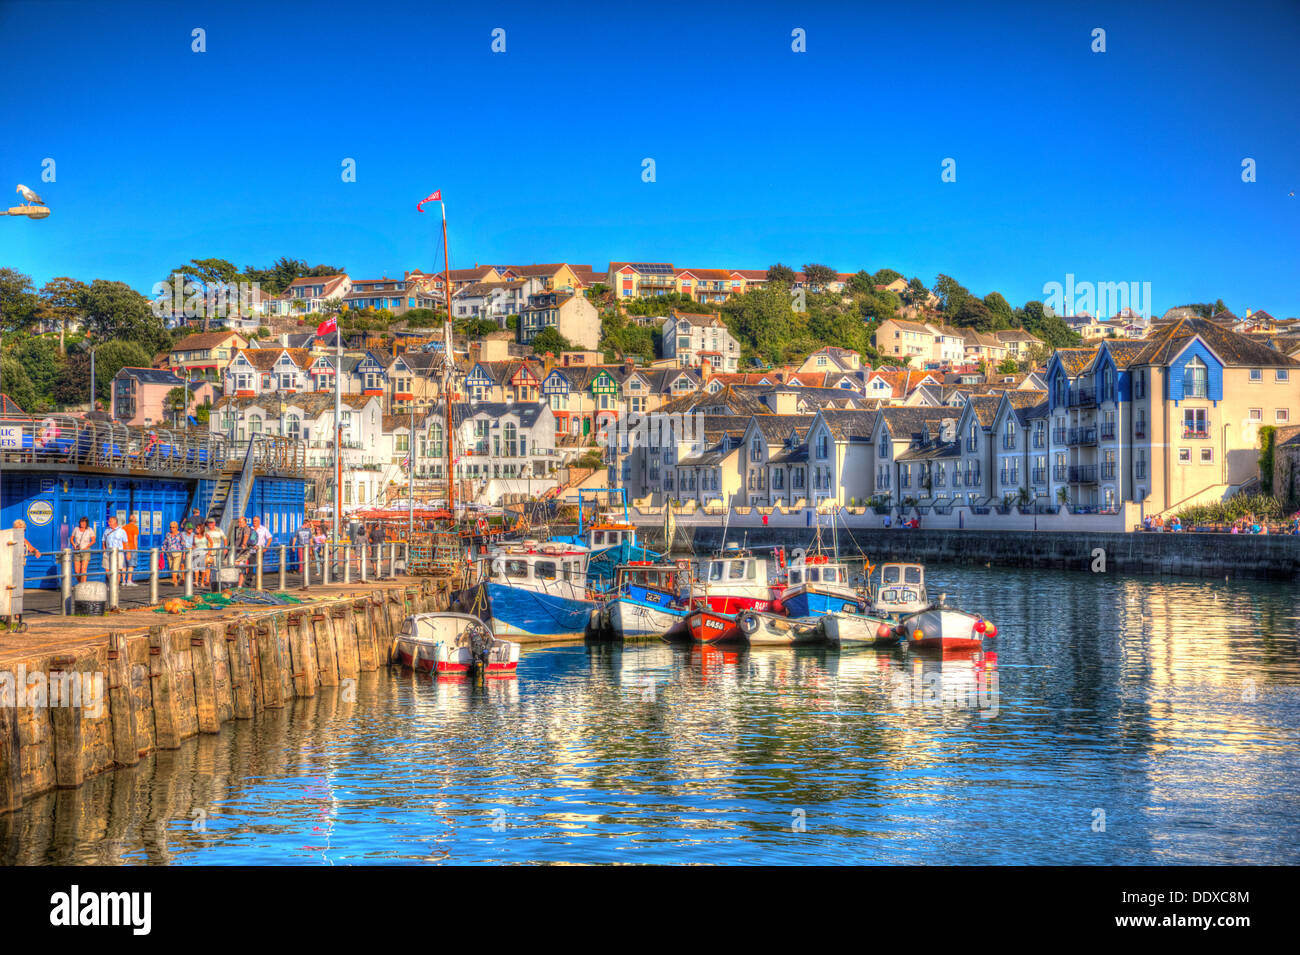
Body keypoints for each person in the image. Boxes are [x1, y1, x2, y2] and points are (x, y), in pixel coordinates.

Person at [103, 515, 128, 588]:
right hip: (108, 552)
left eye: (110, 521)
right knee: (107, 569)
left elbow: (126, 542)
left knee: (117, 569)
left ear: (115, 522)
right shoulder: (106, 530)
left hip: (118, 553)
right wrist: (104, 550)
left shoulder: (121, 531)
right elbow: (103, 541)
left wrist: (128, 553)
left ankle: (115, 585)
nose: (109, 522)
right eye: (109, 521)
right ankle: (111, 582)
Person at [202, 518, 226, 587]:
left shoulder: (219, 530)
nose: (210, 524)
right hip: (208, 551)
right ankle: (207, 581)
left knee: (216, 566)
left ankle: (216, 581)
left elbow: (225, 538)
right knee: (208, 566)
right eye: (209, 523)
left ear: (214, 523)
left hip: (216, 552)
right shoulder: (205, 530)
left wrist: (225, 547)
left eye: (212, 523)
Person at [71, 516, 95, 584]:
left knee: (83, 569)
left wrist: (87, 546)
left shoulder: (90, 530)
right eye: (81, 522)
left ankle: (83, 586)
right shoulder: (76, 529)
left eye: (84, 523)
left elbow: (93, 540)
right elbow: (71, 539)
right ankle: (81, 584)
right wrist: (74, 545)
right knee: (77, 571)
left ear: (86, 523)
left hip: (86, 551)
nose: (82, 524)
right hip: (77, 551)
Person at [230, 516, 252, 587]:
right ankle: (239, 585)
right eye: (239, 522)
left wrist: (244, 544)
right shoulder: (240, 529)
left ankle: (240, 584)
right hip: (239, 552)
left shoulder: (246, 528)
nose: (239, 523)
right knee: (239, 569)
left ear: (244, 522)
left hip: (244, 552)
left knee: (237, 565)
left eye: (240, 522)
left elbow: (246, 536)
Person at [163, 521, 185, 586]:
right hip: (169, 553)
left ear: (176, 528)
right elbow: (165, 542)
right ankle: (177, 577)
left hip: (178, 552)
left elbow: (183, 544)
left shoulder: (180, 534)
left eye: (173, 527)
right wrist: (163, 548)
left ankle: (174, 581)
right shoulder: (168, 534)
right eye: (171, 527)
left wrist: (183, 553)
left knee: (175, 567)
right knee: (171, 567)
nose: (172, 529)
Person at [122, 513, 140, 586]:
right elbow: (135, 539)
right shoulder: (135, 528)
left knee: (123, 565)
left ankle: (123, 581)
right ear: (135, 520)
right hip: (131, 547)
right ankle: (129, 580)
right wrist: (136, 548)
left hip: (123, 547)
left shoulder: (124, 527)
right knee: (131, 565)